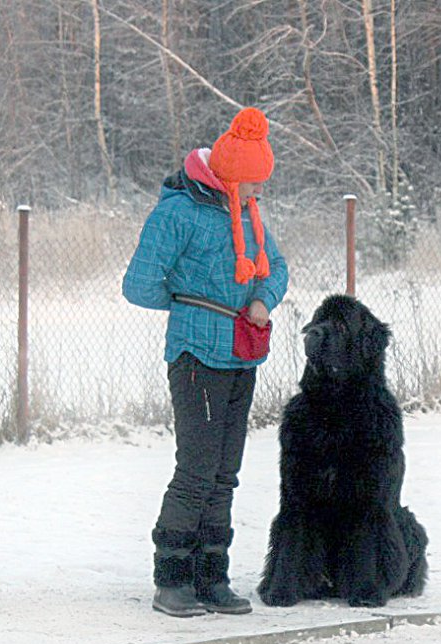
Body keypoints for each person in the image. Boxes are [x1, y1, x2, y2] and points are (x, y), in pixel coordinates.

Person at [122, 107, 289, 618]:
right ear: (226, 175)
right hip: (197, 356)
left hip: (242, 354)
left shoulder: (247, 211)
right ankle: (171, 579)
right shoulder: (177, 214)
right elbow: (139, 285)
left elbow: (276, 266)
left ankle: (211, 576)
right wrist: (192, 308)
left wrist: (263, 297)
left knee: (225, 473)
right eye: (251, 183)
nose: (258, 192)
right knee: (196, 471)